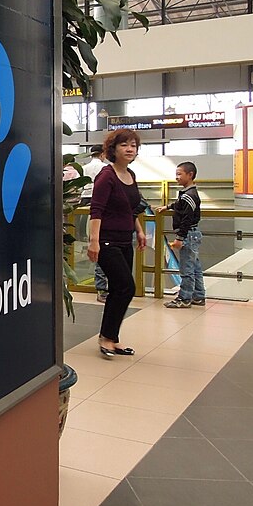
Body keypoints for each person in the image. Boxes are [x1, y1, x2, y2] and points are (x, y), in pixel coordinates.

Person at [88, 129, 147, 358]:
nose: (130, 149)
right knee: (126, 287)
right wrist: (94, 242)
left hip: (125, 240)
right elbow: (96, 210)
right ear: (113, 149)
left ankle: (111, 337)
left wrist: (139, 230)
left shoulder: (130, 174)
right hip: (107, 241)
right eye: (124, 145)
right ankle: (106, 337)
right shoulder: (106, 175)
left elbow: (130, 209)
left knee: (117, 289)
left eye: (133, 145)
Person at [154, 161, 205, 308]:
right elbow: (179, 205)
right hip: (192, 234)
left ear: (190, 175)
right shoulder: (187, 194)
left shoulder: (189, 195)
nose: (176, 177)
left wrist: (179, 238)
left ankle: (184, 298)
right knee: (195, 267)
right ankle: (198, 296)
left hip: (188, 235)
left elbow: (186, 219)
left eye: (179, 174)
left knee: (186, 269)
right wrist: (168, 206)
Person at [80, 144, 109, 301]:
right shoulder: (105, 168)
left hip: (84, 199)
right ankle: (102, 288)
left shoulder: (84, 168)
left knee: (87, 231)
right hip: (98, 200)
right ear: (103, 154)